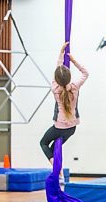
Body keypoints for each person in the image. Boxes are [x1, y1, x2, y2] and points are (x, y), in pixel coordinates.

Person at [40, 42, 89, 183]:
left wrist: (61, 52)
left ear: (56, 79)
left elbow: (58, 70)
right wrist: (73, 60)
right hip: (72, 128)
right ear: (69, 77)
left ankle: (58, 169)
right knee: (56, 146)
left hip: (59, 127)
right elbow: (85, 73)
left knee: (43, 143)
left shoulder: (55, 88)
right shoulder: (75, 87)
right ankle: (58, 169)